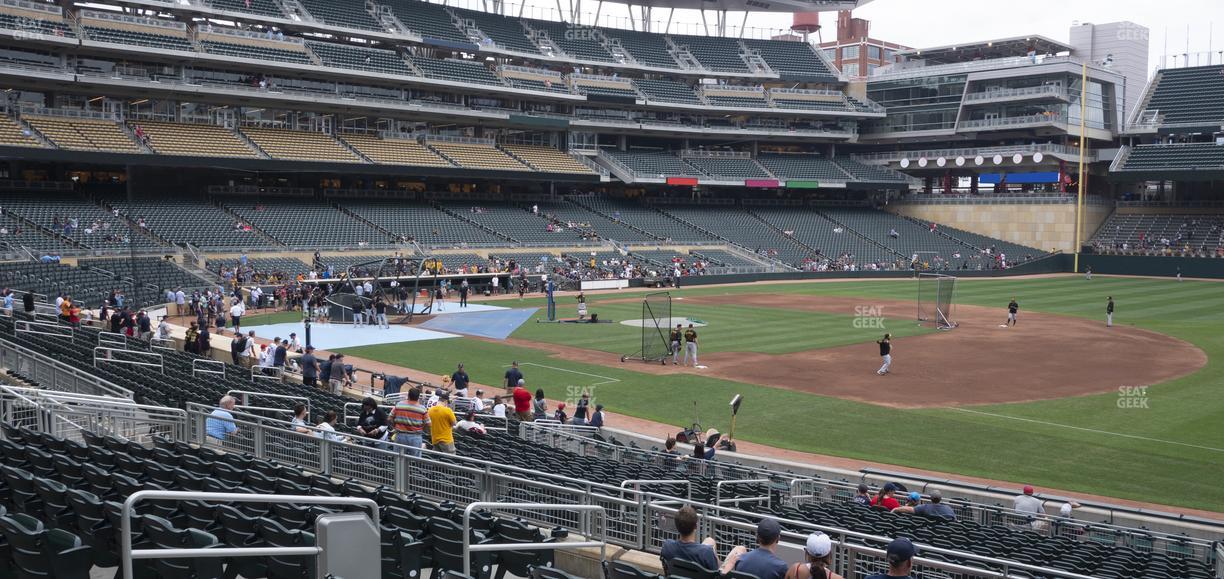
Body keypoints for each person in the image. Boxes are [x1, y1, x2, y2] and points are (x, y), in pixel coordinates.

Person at [661, 505, 746, 575]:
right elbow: (716, 576)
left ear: (676, 526)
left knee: (710, 541)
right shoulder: (705, 552)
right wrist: (729, 565)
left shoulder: (667, 546)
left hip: (679, 574)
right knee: (740, 549)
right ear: (696, 526)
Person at [391, 388, 429, 457]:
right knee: (415, 460)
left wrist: (395, 426)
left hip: (400, 435)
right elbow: (428, 424)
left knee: (398, 458)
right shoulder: (422, 408)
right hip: (415, 437)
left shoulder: (399, 405)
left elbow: (389, 418)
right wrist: (422, 428)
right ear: (418, 397)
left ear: (408, 396)